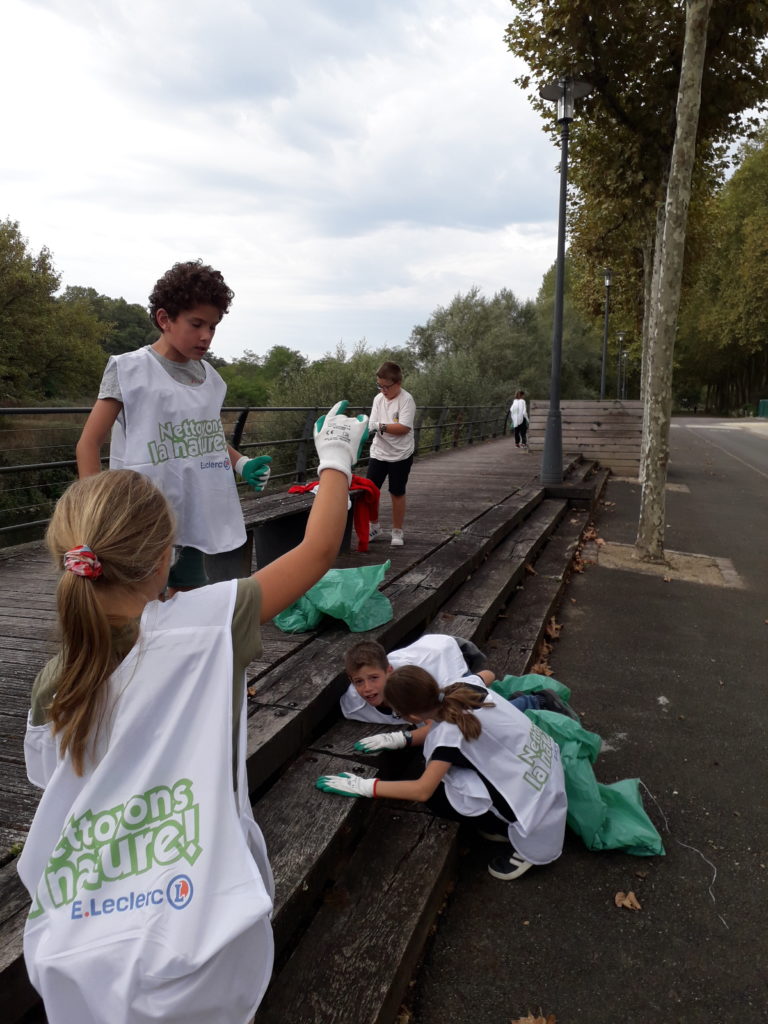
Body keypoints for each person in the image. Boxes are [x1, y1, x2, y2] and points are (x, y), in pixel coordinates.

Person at [18, 402, 368, 1024]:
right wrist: (337, 455)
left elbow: (54, 790)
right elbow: (318, 550)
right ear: (165, 557)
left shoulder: (56, 679)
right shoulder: (213, 622)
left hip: (83, 936)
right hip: (198, 919)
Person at [75, 260, 272, 591]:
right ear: (165, 319)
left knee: (189, 597)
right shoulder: (128, 370)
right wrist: (93, 516)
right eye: (196, 324)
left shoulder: (211, 378)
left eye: (213, 326)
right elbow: (88, 443)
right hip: (139, 518)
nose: (206, 336)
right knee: (137, 604)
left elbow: (201, 437)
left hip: (191, 516)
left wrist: (242, 464)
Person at [318, 666, 568, 881]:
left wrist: (364, 786)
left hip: (535, 807)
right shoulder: (461, 687)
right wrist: (401, 739)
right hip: (544, 769)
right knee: (449, 776)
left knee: (438, 795)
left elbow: (421, 790)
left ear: (412, 716)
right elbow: (488, 674)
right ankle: (500, 822)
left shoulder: (449, 736)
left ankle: (515, 838)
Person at [341, 634, 576, 735]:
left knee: (471, 715)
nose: (367, 689)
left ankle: (534, 700)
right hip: (424, 654)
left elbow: (487, 675)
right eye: (359, 682)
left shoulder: (424, 679)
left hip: (449, 651)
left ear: (389, 671)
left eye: (373, 678)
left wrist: (403, 738)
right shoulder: (353, 706)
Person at [365, 361, 416, 547]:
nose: (383, 390)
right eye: (380, 386)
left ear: (398, 383)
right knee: (369, 492)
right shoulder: (378, 399)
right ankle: (374, 526)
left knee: (397, 491)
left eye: (386, 387)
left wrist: (379, 426)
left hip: (401, 454)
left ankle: (397, 531)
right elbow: (371, 423)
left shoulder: (406, 400)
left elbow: (403, 427)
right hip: (379, 451)